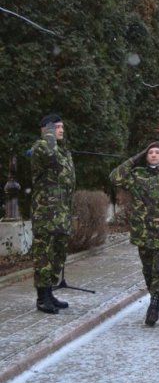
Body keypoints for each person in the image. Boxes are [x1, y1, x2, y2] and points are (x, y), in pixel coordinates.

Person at [109, 142, 159, 326]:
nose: (153, 155)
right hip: (142, 232)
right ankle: (156, 297)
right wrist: (135, 158)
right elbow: (114, 177)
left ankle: (154, 304)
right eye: (150, 152)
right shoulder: (137, 175)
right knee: (148, 271)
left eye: (157, 152)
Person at [29, 114, 75, 314]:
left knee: (57, 255)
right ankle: (42, 298)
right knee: (44, 256)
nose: (61, 130)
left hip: (62, 214)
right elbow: (50, 156)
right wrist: (48, 135)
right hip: (46, 214)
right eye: (57, 127)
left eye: (62, 127)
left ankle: (50, 293)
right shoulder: (42, 146)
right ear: (46, 130)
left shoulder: (63, 151)